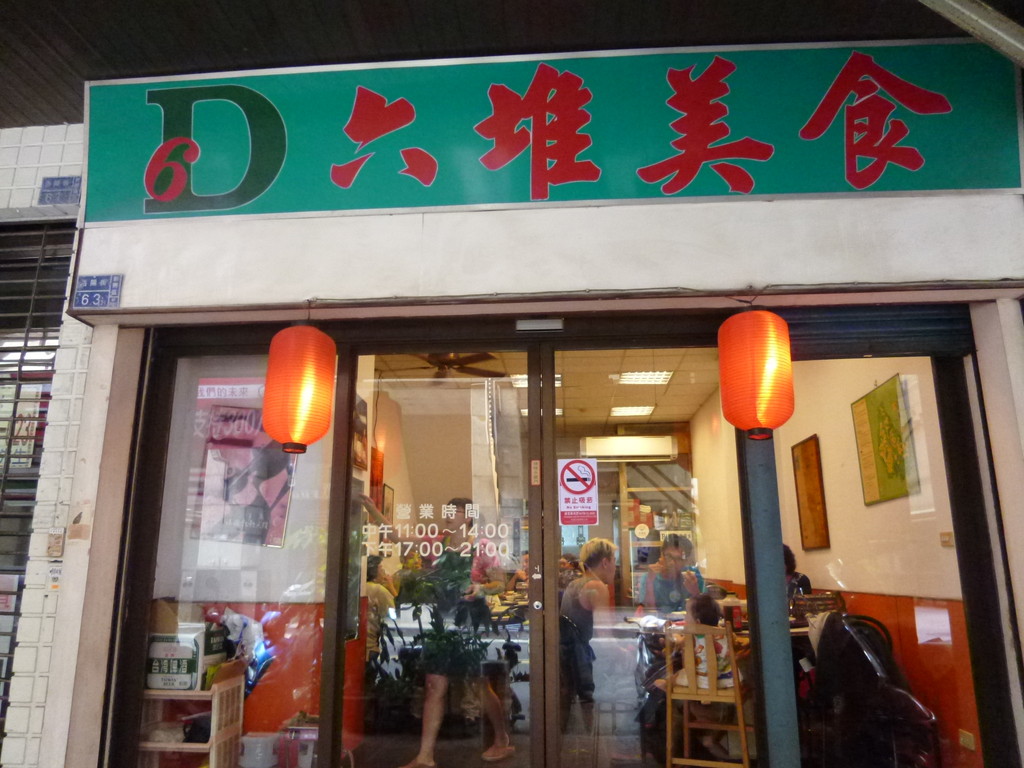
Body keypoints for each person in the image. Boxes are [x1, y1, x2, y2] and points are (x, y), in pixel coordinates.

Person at [399, 499, 513, 768]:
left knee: (478, 683)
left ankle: (501, 738)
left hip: (469, 619)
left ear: (468, 517)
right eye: (447, 510)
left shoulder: (482, 546)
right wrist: (370, 507)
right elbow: (396, 537)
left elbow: (501, 583)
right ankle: (425, 756)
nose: (448, 515)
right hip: (442, 621)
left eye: (455, 512)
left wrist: (481, 588)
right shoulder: (436, 542)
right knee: (434, 684)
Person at [559, 538, 617, 707]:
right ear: (605, 562)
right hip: (584, 664)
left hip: (569, 660)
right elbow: (604, 635)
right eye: (614, 561)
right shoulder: (597, 587)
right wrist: (624, 650)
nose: (615, 566)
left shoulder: (575, 584)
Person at [642, 534, 704, 614]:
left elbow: (703, 612)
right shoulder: (648, 577)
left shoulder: (693, 576)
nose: (672, 563)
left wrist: (695, 591)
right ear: (661, 555)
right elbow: (649, 613)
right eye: (669, 556)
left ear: (685, 561)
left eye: (678, 559)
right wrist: (650, 582)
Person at [365, 555, 396, 664]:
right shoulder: (378, 590)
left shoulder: (361, 586)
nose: (384, 572)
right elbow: (393, 615)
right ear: (374, 571)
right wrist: (391, 586)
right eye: (381, 568)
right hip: (371, 647)